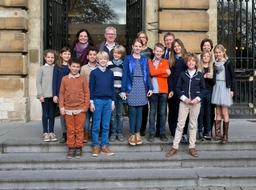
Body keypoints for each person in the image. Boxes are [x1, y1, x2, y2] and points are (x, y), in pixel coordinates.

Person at [166, 53, 206, 158]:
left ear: (196, 62)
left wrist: (197, 99)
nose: (191, 63)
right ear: (186, 63)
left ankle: (192, 147)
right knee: (180, 125)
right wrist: (184, 98)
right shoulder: (183, 74)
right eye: (189, 61)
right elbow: (178, 88)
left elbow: (203, 89)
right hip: (184, 103)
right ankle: (175, 147)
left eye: (193, 61)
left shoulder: (199, 75)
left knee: (193, 125)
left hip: (195, 104)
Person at [121, 38, 153, 146]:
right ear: (133, 47)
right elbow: (124, 75)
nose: (138, 48)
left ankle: (138, 133)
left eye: (140, 46)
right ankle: (132, 134)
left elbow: (147, 75)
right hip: (132, 86)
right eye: (136, 46)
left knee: (140, 112)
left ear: (142, 47)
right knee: (132, 112)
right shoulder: (128, 59)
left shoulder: (145, 59)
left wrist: (150, 88)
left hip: (142, 87)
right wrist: (123, 90)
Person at [59, 57, 90, 159]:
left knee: (79, 129)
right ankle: (71, 147)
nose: (75, 68)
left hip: (80, 108)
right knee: (70, 129)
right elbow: (62, 93)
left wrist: (85, 106)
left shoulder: (83, 79)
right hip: (68, 109)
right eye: (73, 66)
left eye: (77, 67)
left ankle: (79, 147)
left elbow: (86, 93)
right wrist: (61, 107)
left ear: (80, 68)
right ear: (69, 66)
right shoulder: (64, 79)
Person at [90, 51, 115, 157]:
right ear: (97, 60)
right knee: (96, 124)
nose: (103, 61)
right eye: (101, 59)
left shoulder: (110, 73)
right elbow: (91, 88)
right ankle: (95, 145)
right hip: (97, 100)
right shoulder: (94, 73)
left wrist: (112, 101)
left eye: (105, 59)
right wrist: (91, 102)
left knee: (106, 124)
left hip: (108, 101)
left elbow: (112, 88)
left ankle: (104, 145)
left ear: (107, 60)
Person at [211, 44, 235, 144]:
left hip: (225, 86)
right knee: (217, 111)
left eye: (219, 52)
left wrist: (232, 90)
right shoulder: (214, 63)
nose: (218, 54)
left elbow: (233, 77)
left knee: (224, 111)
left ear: (223, 52)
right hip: (217, 86)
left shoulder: (228, 63)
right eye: (216, 52)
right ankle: (218, 133)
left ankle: (225, 135)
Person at [147, 43, 170, 142]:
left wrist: (160, 71)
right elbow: (151, 72)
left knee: (162, 113)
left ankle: (162, 133)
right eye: (157, 51)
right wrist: (163, 71)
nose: (158, 53)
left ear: (163, 52)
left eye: (161, 51)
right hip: (153, 91)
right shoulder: (149, 61)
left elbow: (167, 75)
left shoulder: (165, 62)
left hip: (163, 91)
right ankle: (151, 133)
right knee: (152, 112)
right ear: (153, 51)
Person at [168, 38, 189, 141]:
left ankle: (184, 132)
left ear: (181, 46)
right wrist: (171, 89)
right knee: (173, 111)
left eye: (178, 46)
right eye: (174, 46)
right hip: (174, 88)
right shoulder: (172, 60)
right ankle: (174, 131)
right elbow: (170, 76)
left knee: (184, 112)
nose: (177, 48)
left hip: (184, 88)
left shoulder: (186, 59)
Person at [36, 49, 57, 142]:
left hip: (53, 96)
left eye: (52, 57)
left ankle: (51, 132)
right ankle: (45, 132)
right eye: (48, 57)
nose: (50, 59)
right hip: (44, 96)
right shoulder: (41, 69)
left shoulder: (56, 68)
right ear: (45, 58)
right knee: (45, 114)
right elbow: (38, 82)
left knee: (52, 115)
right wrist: (40, 94)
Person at [135, 31, 154, 137]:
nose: (142, 39)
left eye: (143, 37)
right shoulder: (134, 50)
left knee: (145, 106)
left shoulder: (151, 51)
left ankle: (142, 128)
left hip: (148, 80)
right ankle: (136, 127)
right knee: (137, 105)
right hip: (137, 81)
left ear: (146, 39)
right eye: (139, 37)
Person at [107, 45, 126, 142]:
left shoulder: (124, 64)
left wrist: (125, 91)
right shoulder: (109, 64)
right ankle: (113, 132)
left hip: (121, 91)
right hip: (112, 90)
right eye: (115, 52)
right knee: (113, 114)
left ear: (122, 54)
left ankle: (119, 132)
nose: (116, 55)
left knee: (120, 114)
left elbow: (126, 78)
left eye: (118, 53)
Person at [52, 47, 71, 143]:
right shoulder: (57, 66)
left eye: (68, 54)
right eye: (65, 54)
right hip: (61, 94)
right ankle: (64, 133)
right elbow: (54, 81)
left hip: (71, 94)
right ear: (61, 55)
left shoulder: (72, 66)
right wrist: (55, 94)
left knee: (71, 114)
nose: (67, 56)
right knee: (63, 114)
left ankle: (70, 132)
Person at [80, 47, 98, 143]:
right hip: (86, 94)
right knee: (86, 116)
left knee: (95, 115)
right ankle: (86, 134)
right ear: (87, 56)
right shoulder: (83, 68)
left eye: (94, 55)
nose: (92, 56)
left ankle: (94, 133)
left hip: (97, 95)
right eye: (90, 55)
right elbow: (81, 82)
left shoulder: (100, 67)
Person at [197, 51, 216, 141]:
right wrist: (202, 77)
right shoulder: (199, 68)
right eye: (204, 56)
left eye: (207, 56)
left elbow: (214, 82)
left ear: (210, 58)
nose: (206, 57)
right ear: (201, 57)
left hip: (209, 92)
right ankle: (200, 131)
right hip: (200, 92)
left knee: (208, 112)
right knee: (200, 113)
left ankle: (208, 131)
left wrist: (211, 77)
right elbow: (196, 82)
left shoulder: (212, 68)